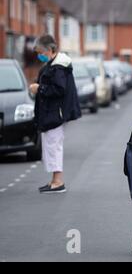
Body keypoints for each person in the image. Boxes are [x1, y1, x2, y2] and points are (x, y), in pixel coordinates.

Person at [29, 35, 81, 194]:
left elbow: (59, 89)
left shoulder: (58, 67)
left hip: (55, 113)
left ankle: (57, 182)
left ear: (50, 50)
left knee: (53, 146)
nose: (39, 55)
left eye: (40, 51)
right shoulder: (53, 64)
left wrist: (40, 89)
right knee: (51, 145)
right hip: (52, 112)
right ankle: (54, 180)